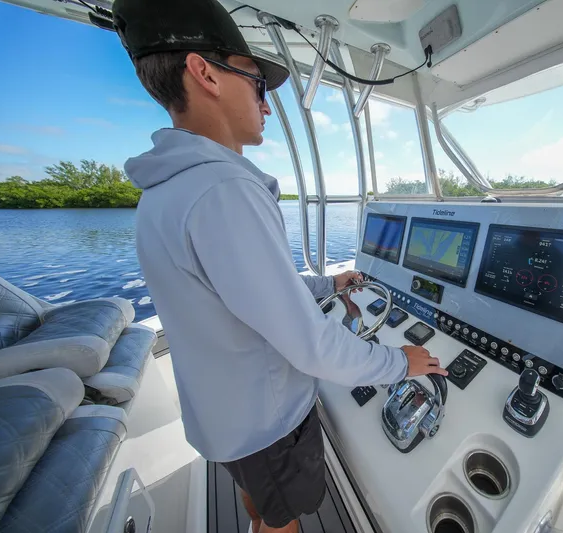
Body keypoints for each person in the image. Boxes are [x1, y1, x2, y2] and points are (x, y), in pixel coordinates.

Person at [111, 1, 447, 532]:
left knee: (259, 498)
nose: (266, 106)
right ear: (205, 73)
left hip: (223, 416)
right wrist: (399, 362)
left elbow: (240, 290)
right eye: (257, 85)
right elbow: (310, 342)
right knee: (282, 519)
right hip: (267, 424)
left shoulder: (163, 190)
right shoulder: (225, 189)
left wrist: (324, 283)